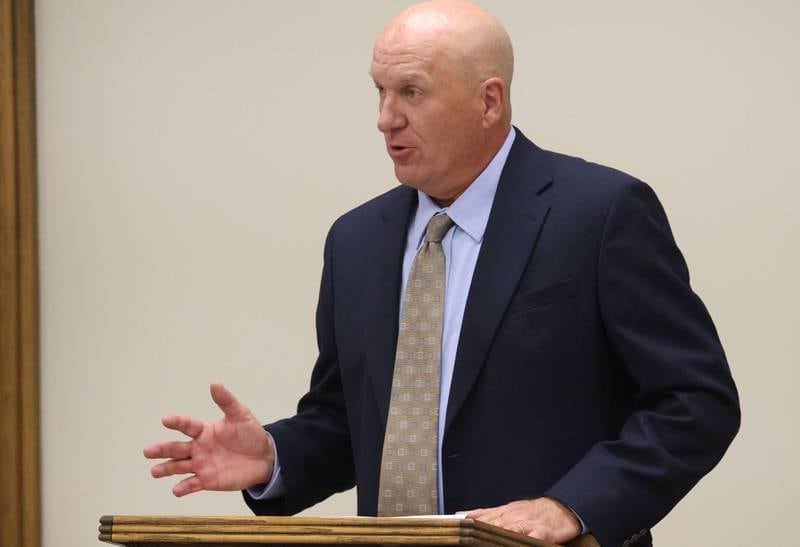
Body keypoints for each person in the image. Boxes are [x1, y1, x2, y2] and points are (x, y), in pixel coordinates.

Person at [143, 2, 740, 546]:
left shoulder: (600, 214)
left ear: (489, 101)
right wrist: (274, 457)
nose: (385, 118)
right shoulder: (355, 240)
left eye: (411, 92)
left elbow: (695, 401)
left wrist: (572, 506)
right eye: (379, 91)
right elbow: (350, 424)